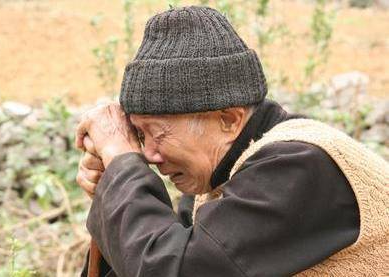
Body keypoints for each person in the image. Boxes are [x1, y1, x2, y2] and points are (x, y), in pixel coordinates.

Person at [76, 6, 389, 277]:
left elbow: (176, 270)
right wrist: (114, 188)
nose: (149, 155)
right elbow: (152, 259)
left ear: (229, 119)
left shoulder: (299, 165)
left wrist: (122, 165)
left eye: (157, 132)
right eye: (139, 136)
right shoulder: (218, 180)